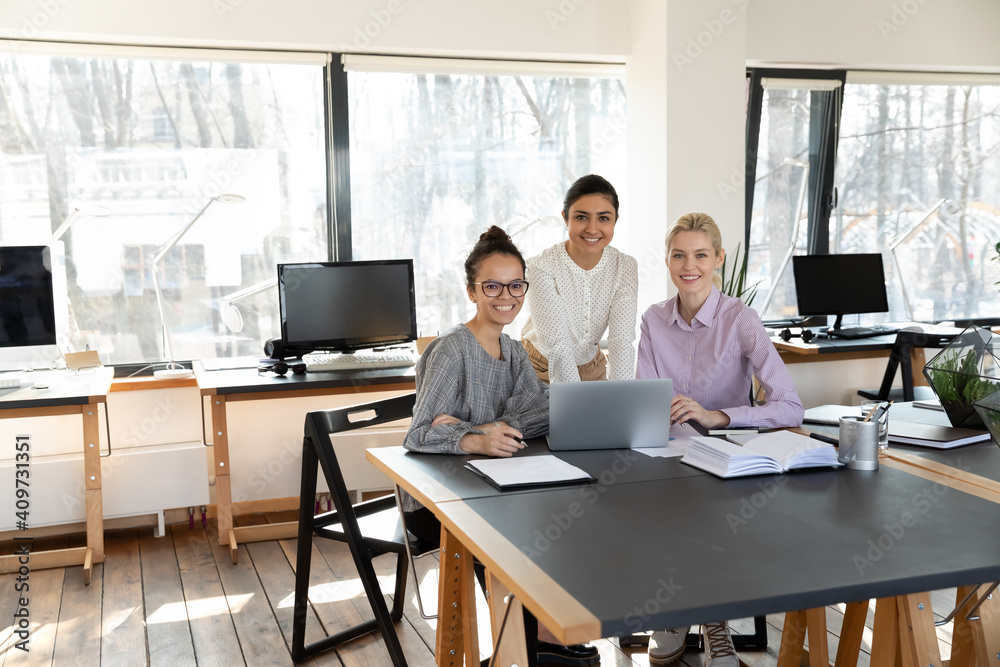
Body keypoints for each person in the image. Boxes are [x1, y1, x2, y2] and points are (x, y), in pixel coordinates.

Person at [402, 225, 600, 667]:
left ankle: (543, 636)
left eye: (515, 285)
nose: (505, 295)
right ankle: (534, 643)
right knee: (519, 525)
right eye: (492, 285)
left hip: (493, 484)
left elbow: (540, 411)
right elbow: (417, 436)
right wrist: (474, 437)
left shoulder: (512, 350)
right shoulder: (452, 351)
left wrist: (490, 426)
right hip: (439, 504)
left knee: (563, 508)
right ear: (472, 291)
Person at [636, 212, 804, 666]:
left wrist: (719, 416)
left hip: (725, 457)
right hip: (666, 456)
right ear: (668, 260)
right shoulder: (653, 320)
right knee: (655, 498)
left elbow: (790, 407)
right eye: (679, 255)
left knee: (702, 505)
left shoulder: (741, 320)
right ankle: (690, 616)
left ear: (718, 259)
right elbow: (641, 401)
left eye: (701, 255)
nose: (689, 265)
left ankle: (704, 622)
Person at [521, 174, 638, 383]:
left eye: (603, 218)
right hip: (539, 366)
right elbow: (557, 345)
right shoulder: (541, 267)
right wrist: (575, 401)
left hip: (591, 365)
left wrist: (622, 400)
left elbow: (621, 341)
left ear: (615, 220)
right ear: (565, 218)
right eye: (581, 217)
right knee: (564, 416)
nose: (592, 229)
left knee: (614, 415)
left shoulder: (625, 267)